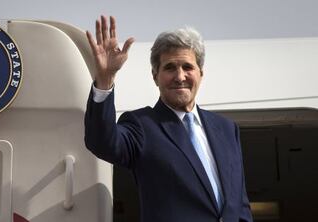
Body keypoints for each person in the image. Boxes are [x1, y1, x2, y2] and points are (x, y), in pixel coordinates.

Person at [84, 15, 253, 222]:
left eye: (187, 67)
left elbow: (240, 204)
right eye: (170, 67)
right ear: (155, 76)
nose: (180, 76)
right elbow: (102, 142)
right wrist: (105, 79)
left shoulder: (227, 129)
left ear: (201, 73)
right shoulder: (142, 126)